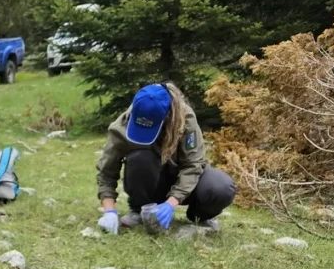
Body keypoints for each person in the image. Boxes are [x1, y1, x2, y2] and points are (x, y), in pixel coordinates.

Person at [95, 83, 236, 235]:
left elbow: (193, 164)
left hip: (183, 180)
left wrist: (171, 202)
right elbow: (107, 172)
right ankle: (140, 210)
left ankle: (199, 217)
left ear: (167, 117)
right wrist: (109, 211)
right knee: (139, 158)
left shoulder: (185, 119)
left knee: (221, 187)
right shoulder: (122, 126)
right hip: (151, 181)